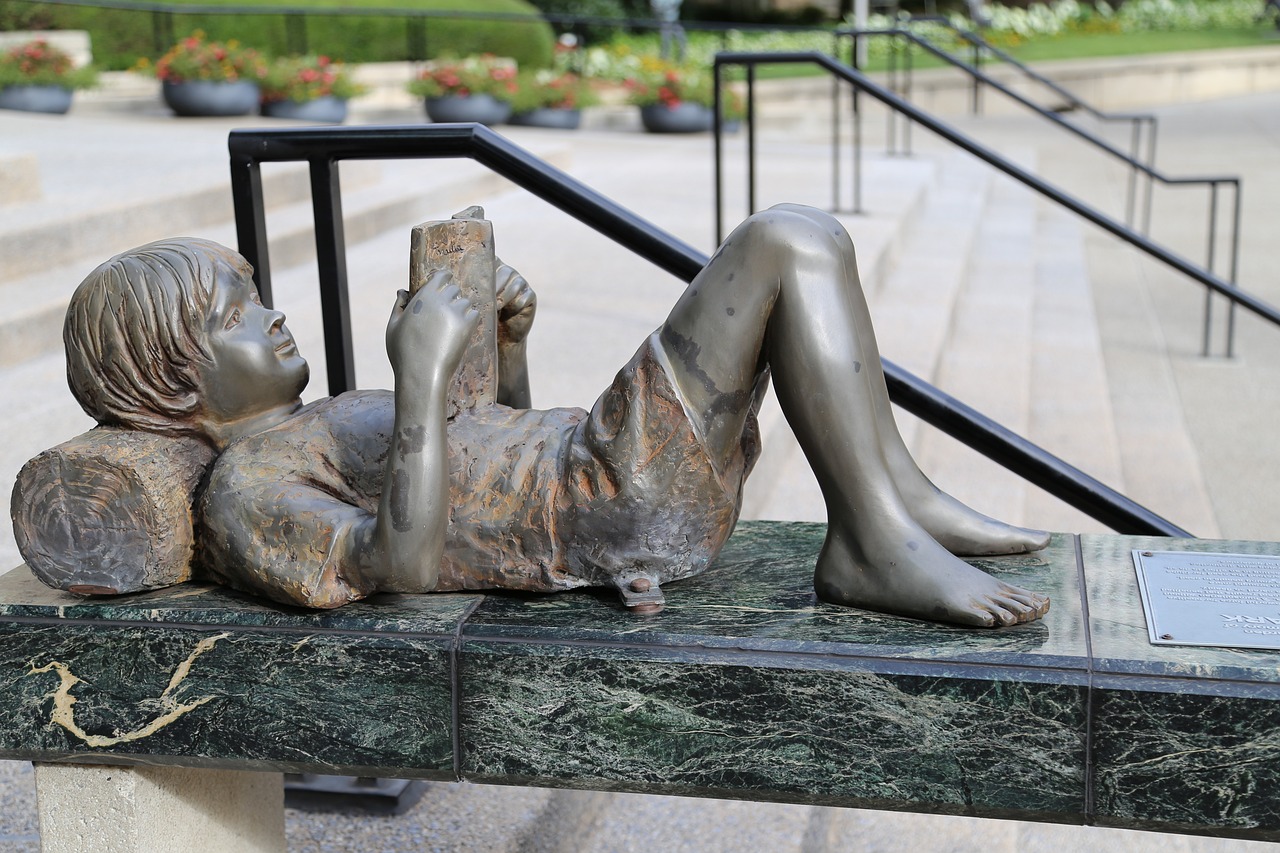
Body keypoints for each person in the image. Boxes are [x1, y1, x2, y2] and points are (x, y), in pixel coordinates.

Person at [63, 204, 1050, 627]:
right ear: (172, 379)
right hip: (609, 497)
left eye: (257, 293)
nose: (272, 314)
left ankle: (894, 501)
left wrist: (507, 341)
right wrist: (418, 376)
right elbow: (402, 562)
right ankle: (871, 544)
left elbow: (484, 466)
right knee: (780, 240)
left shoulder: (307, 422)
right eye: (236, 312)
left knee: (812, 236)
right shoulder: (246, 488)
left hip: (596, 477)